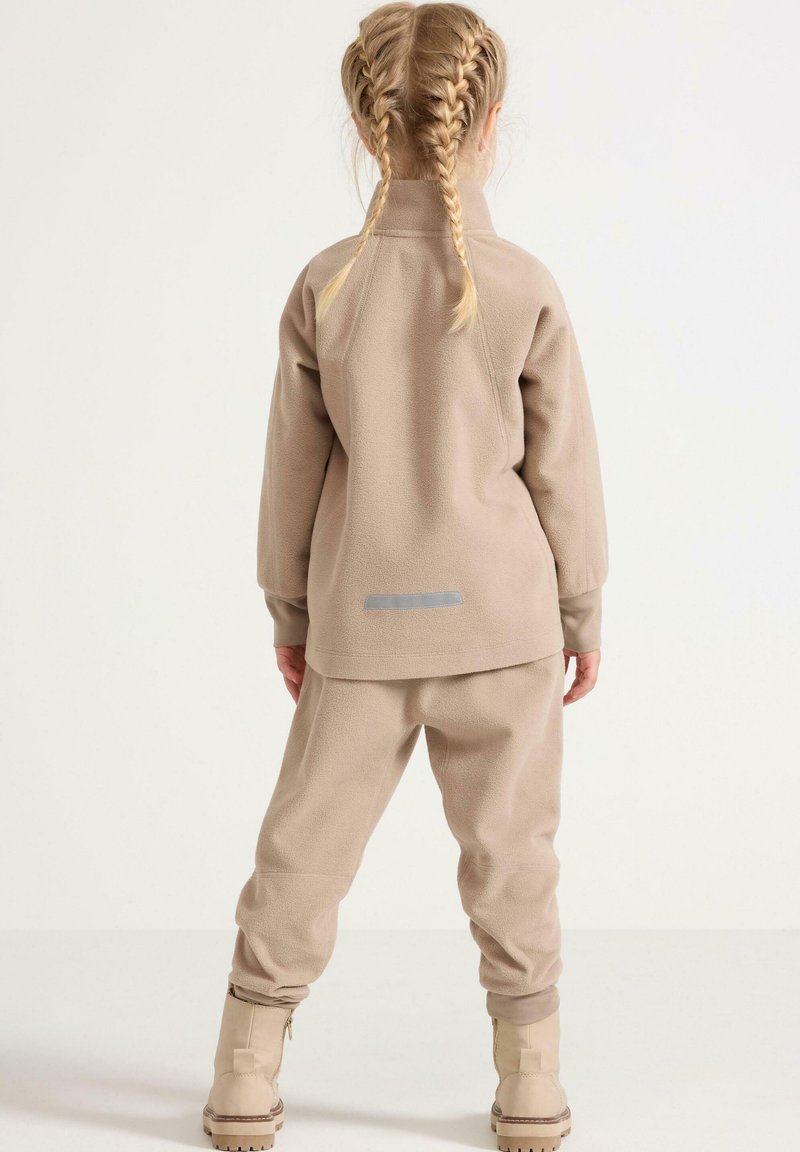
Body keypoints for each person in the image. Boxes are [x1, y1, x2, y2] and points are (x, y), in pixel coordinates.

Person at [203, 4, 607, 1150]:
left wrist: (290, 608)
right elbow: (563, 472)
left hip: (360, 628)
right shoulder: (525, 286)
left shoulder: (326, 286)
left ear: (363, 122)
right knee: (513, 862)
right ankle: (529, 1087)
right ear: (488, 121)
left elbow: (290, 473)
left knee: (300, 854)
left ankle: (243, 1077)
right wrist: (579, 610)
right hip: (504, 629)